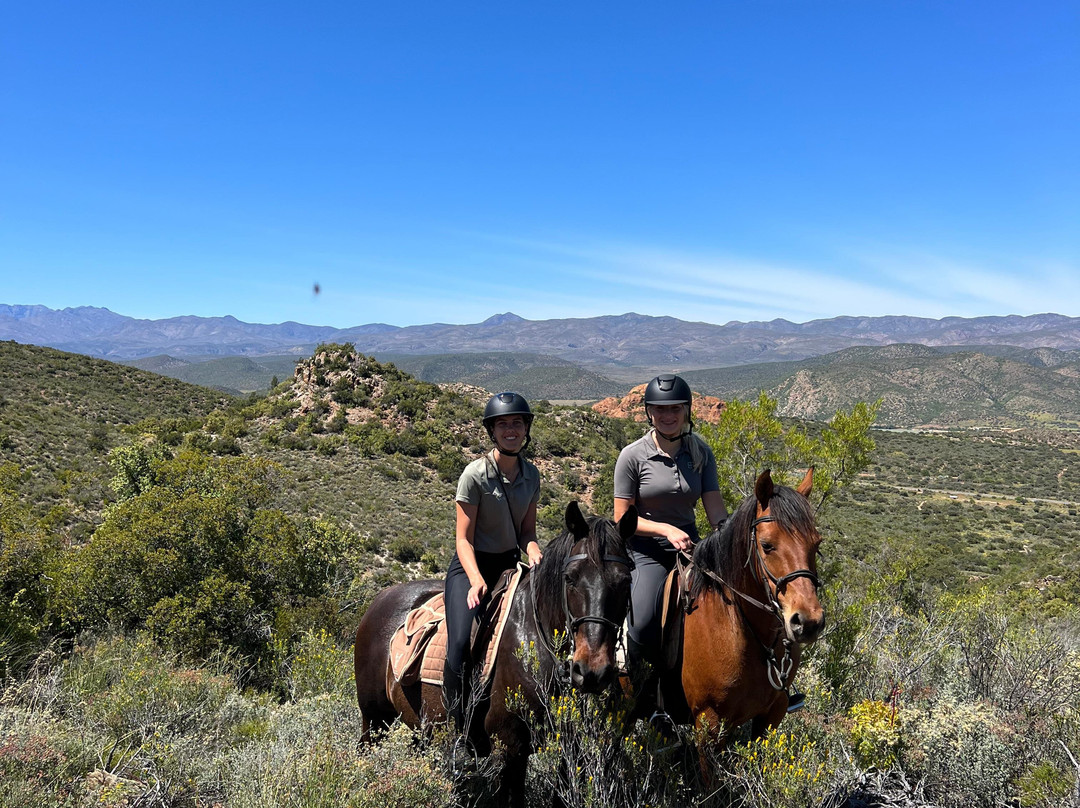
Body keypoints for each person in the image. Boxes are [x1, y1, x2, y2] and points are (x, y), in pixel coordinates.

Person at [613, 374, 728, 708]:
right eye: (660, 409)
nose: (668, 415)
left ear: (686, 411)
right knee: (643, 621)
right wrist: (665, 530)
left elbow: (715, 511)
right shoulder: (632, 456)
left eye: (675, 408)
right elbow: (622, 519)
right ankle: (643, 696)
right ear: (649, 412)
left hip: (691, 547)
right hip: (645, 550)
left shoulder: (700, 453)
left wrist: (730, 534)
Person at [443, 391, 543, 735]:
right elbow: (463, 539)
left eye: (517, 423)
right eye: (503, 425)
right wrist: (475, 579)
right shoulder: (475, 475)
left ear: (526, 429)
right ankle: (457, 729)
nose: (510, 430)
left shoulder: (532, 476)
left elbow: (526, 532)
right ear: (492, 431)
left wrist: (534, 552)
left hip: (508, 567)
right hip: (470, 567)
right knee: (460, 643)